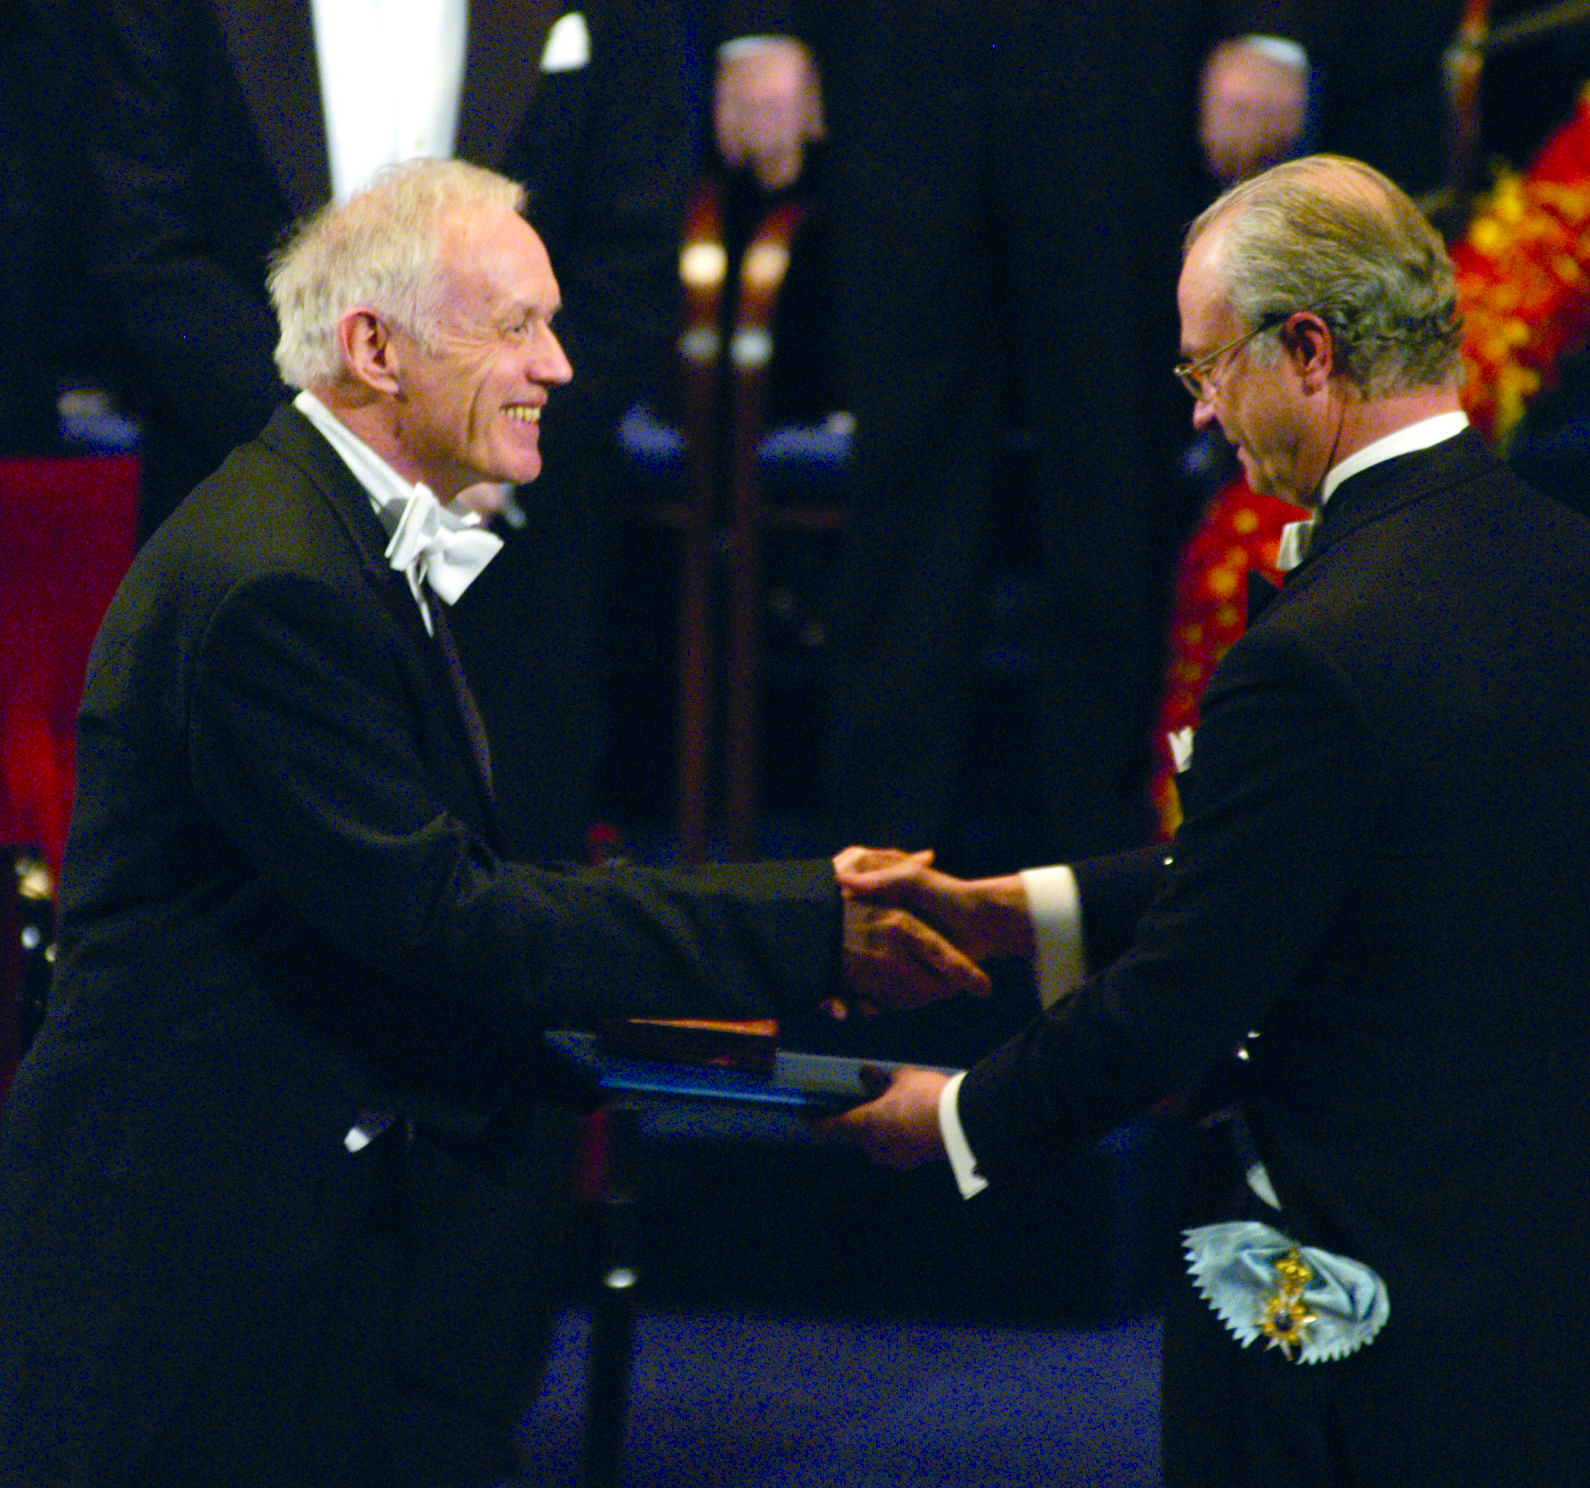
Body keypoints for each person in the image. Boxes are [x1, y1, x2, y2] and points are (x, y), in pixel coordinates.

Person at [0, 160, 988, 1488]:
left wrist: (766, 1050)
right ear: (373, 347)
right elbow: (447, 920)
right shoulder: (273, 581)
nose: (562, 366)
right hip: (193, 1273)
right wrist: (808, 920)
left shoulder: (327, 536)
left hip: (295, 1240)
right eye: (516, 324)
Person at [823, 156, 1590, 1486]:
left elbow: (1184, 996)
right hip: (1530, 1289)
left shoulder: (1319, 647)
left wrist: (956, 1116)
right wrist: (1023, 911)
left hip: (1334, 1301)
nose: (1198, 419)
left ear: (1307, 349)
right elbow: (1354, 861)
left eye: (1205, 369)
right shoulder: (1557, 559)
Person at [709, 3, 1464, 871]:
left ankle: (1107, 870)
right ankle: (878, 866)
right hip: (896, 59)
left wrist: (1270, 28)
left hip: (1128, 63)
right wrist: (757, 25)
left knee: (1113, 480)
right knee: (902, 475)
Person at [91, 0, 691, 860]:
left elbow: (629, 263)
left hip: (516, 539)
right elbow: (145, 250)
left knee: (514, 905)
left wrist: (478, 445)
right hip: (244, 525)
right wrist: (342, 457)